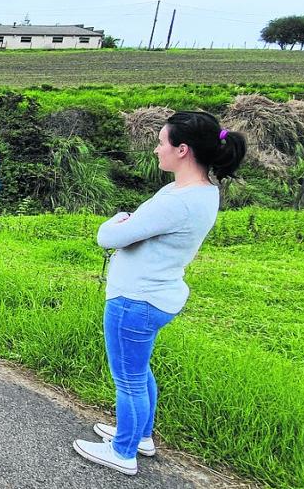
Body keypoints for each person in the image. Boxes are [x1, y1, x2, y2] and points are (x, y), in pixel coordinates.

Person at [72, 111, 246, 475]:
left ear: (183, 150)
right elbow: (138, 225)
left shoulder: (176, 201)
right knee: (139, 371)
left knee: (129, 379)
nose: (156, 149)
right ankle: (140, 435)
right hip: (158, 295)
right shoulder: (201, 192)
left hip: (135, 299)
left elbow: (109, 236)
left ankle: (122, 452)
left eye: (162, 142)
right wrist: (130, 221)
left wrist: (118, 218)